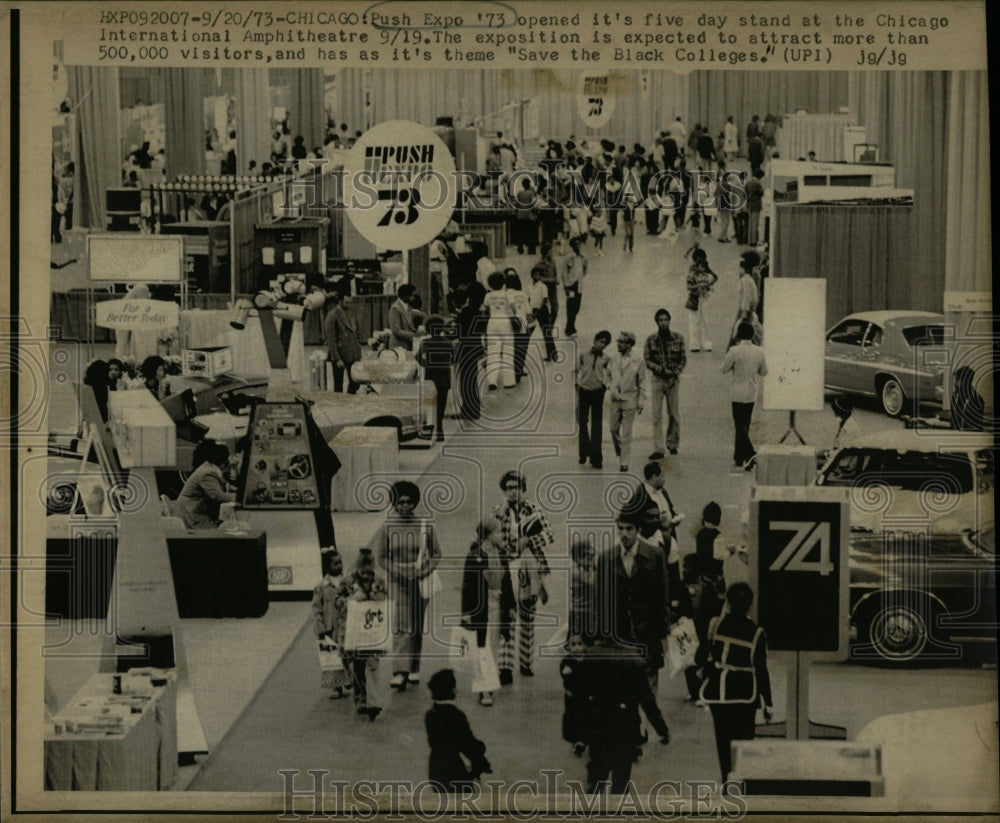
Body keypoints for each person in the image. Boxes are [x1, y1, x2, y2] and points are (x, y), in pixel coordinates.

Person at [372, 481, 441, 692]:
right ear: (394, 503)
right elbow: (381, 557)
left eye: (409, 502)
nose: (404, 506)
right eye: (400, 502)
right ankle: (399, 672)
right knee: (402, 625)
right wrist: (397, 571)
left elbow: (437, 553)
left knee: (417, 626)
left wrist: (424, 571)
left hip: (420, 580)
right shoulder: (387, 527)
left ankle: (413, 667)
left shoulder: (425, 525)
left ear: (415, 502)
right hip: (397, 581)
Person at [699, 582, 774, 779]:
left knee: (723, 742)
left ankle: (727, 783)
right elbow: (761, 669)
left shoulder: (715, 624)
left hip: (719, 694)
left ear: (728, 602)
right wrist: (768, 703)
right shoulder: (757, 633)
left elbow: (702, 657)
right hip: (745, 694)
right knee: (743, 744)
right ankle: (740, 781)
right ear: (750, 604)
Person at [493, 470, 555, 681]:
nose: (512, 492)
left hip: (530, 569)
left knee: (528, 615)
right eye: (508, 488)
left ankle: (526, 662)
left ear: (523, 489)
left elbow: (549, 534)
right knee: (506, 616)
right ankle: (505, 666)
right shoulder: (498, 512)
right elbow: (492, 539)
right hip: (506, 568)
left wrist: (528, 541)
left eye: (516, 488)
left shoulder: (534, 510)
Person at [461, 517, 515, 706]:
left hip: (498, 607)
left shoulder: (501, 555)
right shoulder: (475, 556)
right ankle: (485, 689)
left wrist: (511, 607)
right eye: (498, 532)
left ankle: (489, 684)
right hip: (481, 608)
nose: (502, 535)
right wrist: (466, 612)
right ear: (487, 535)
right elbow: (467, 586)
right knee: (481, 647)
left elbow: (507, 583)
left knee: (491, 647)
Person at [683, 502, 728, 701]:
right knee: (711, 633)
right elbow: (720, 557)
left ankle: (694, 680)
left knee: (701, 630)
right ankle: (705, 676)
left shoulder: (701, 534)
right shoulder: (718, 536)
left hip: (702, 584)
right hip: (715, 589)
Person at [336, 549, 388, 720]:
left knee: (372, 664)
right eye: (363, 570)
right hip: (354, 629)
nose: (366, 574)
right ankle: (361, 699)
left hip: (372, 629)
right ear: (358, 567)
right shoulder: (347, 581)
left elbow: (383, 600)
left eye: (369, 570)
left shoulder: (379, 579)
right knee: (357, 666)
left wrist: (372, 597)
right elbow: (337, 602)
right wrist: (351, 600)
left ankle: (374, 702)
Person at [425, 669, 491, 793]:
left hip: (436, 769)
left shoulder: (430, 715)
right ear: (453, 690)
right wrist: (481, 748)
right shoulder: (457, 715)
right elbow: (467, 743)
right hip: (455, 769)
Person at [723, 322, 769, 470]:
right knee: (745, 424)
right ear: (752, 335)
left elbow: (724, 368)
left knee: (739, 425)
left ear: (739, 334)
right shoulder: (759, 351)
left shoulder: (734, 350)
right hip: (751, 391)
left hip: (737, 391)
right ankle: (739, 456)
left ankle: (749, 454)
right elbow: (764, 372)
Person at [644, 309, 687, 458]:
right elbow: (647, 359)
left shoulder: (678, 338)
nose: (663, 322)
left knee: (673, 413)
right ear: (657, 322)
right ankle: (658, 448)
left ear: (669, 321)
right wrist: (661, 369)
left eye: (665, 320)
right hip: (657, 379)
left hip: (673, 380)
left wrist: (675, 372)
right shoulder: (650, 340)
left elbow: (683, 358)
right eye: (660, 320)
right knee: (656, 414)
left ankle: (672, 443)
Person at [313, 547, 352, 699]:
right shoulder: (321, 587)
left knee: (347, 654)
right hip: (330, 628)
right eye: (335, 564)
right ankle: (337, 687)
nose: (339, 566)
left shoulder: (347, 582)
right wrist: (320, 627)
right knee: (332, 658)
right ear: (328, 566)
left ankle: (348, 676)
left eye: (340, 562)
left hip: (346, 625)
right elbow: (316, 608)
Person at [607, 331, 646, 473]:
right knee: (613, 428)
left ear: (629, 344)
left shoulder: (638, 360)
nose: (618, 344)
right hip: (615, 398)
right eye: (618, 341)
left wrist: (641, 401)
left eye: (622, 342)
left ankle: (624, 462)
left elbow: (642, 382)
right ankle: (621, 450)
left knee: (627, 432)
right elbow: (608, 375)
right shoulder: (614, 359)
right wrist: (610, 387)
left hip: (630, 399)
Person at [176, 440, 236, 529]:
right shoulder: (207, 473)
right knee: (226, 528)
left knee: (225, 525)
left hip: (194, 512)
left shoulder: (209, 468)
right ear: (224, 462)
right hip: (193, 516)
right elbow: (218, 496)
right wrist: (238, 500)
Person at [576, 330, 611, 469]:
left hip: (597, 393)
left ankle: (596, 457)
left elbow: (610, 374)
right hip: (583, 391)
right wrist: (575, 384)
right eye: (601, 342)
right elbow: (575, 370)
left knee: (597, 425)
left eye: (605, 344)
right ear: (595, 341)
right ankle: (584, 451)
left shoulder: (606, 359)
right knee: (582, 421)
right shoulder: (584, 355)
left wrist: (605, 385)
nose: (602, 345)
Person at [418, 316, 455, 442]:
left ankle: (429, 428)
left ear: (428, 329)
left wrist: (425, 363)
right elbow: (454, 359)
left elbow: (417, 357)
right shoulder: (448, 342)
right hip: (444, 376)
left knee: (430, 404)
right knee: (441, 403)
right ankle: (440, 429)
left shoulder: (425, 342)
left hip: (431, 376)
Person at [454, 282, 487, 421]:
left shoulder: (467, 311)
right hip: (476, 345)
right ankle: (473, 408)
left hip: (466, 347)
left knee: (466, 379)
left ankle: (469, 410)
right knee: (472, 378)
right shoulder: (481, 311)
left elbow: (458, 330)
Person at [560, 633, 593, 757]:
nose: (577, 648)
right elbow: (565, 675)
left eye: (580, 644)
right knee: (574, 718)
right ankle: (577, 741)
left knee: (587, 717)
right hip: (572, 696)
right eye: (573, 645)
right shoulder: (568, 660)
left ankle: (585, 740)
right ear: (568, 647)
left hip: (586, 695)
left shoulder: (589, 660)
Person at [482, 271, 516, 391]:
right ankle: (508, 381)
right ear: (503, 283)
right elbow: (513, 309)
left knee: (492, 352)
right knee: (508, 351)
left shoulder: (488, 296)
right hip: (505, 322)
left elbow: (486, 311)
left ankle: (492, 380)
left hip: (492, 323)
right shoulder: (507, 294)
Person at [323, 292, 362, 394]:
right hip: (340, 355)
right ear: (340, 301)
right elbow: (331, 339)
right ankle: (339, 404)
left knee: (355, 381)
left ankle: (349, 400)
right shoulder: (332, 315)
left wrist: (358, 353)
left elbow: (356, 334)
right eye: (346, 302)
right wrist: (337, 359)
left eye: (350, 302)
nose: (349, 304)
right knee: (338, 384)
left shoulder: (351, 313)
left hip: (353, 354)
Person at [686, 247, 718, 352]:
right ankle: (700, 344)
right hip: (696, 299)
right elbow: (689, 286)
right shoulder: (692, 271)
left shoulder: (705, 269)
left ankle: (700, 344)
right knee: (697, 321)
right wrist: (701, 285)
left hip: (702, 298)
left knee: (703, 321)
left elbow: (715, 277)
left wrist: (708, 284)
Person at [504, 269, 531, 382]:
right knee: (521, 349)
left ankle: (511, 372)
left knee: (511, 349)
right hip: (523, 322)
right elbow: (529, 311)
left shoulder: (505, 294)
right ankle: (519, 370)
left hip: (510, 323)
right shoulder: (523, 294)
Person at [568, 537, 598, 639]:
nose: (593, 559)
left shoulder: (588, 569)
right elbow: (592, 581)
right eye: (590, 557)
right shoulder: (577, 572)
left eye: (593, 555)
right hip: (579, 612)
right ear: (579, 559)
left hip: (588, 611)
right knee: (578, 638)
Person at [527, 265, 557, 362]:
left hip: (542, 310)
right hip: (533, 310)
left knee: (546, 333)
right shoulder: (529, 287)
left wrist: (538, 312)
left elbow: (544, 300)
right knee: (528, 332)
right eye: (535, 275)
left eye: (538, 275)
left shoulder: (543, 286)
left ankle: (552, 355)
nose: (537, 277)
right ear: (532, 275)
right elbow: (528, 299)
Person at [559, 238, 587, 338]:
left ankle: (571, 325)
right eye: (576, 244)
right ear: (572, 246)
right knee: (570, 305)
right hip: (570, 285)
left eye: (580, 244)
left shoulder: (583, 257)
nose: (578, 246)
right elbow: (564, 272)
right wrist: (566, 285)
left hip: (579, 285)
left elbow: (584, 269)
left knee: (577, 306)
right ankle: (569, 327)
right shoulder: (568, 258)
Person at [950, 366, 986, 431]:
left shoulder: (976, 399)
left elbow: (977, 426)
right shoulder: (955, 396)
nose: (954, 382)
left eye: (957, 380)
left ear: (965, 382)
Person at [388, 284, 420, 351]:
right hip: (398, 346)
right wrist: (414, 336)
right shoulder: (395, 308)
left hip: (406, 346)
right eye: (412, 296)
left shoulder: (406, 306)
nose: (413, 298)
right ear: (406, 296)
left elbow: (409, 327)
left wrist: (418, 332)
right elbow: (396, 331)